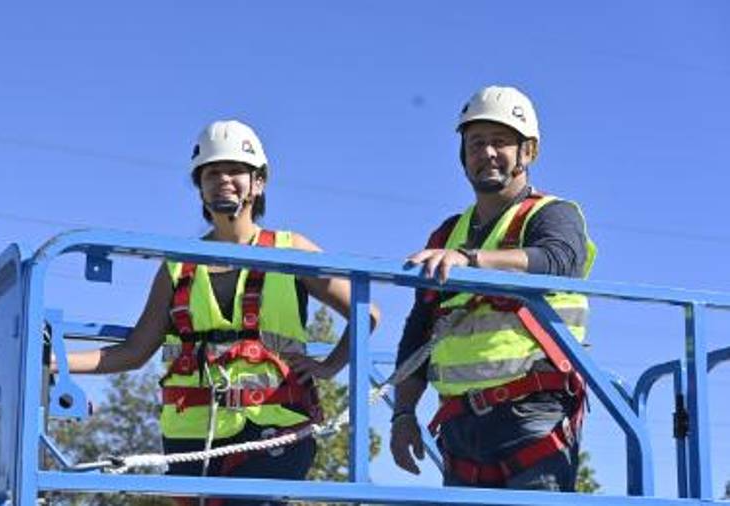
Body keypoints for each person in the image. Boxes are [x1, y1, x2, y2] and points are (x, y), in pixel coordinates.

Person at [64, 119, 379, 505]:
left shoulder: (290, 249)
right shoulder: (177, 266)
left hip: (276, 428)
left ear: (258, 182)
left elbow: (368, 313)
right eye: (212, 172)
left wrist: (329, 366)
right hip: (191, 435)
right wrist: (54, 361)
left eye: (235, 170)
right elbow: (133, 351)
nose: (223, 179)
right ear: (200, 185)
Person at [389, 85, 596, 491]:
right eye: (475, 143)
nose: (486, 153)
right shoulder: (447, 233)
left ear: (528, 151)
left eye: (500, 142)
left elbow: (558, 260)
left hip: (532, 413)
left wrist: (472, 262)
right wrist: (403, 415)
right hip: (460, 426)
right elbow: (419, 330)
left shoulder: (553, 214)